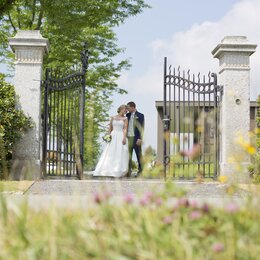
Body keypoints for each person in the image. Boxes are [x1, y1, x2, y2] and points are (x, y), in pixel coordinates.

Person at [93, 105, 129, 177]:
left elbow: (125, 129)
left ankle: (117, 169)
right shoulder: (113, 117)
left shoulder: (125, 118)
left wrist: (124, 138)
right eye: (125, 109)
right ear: (121, 109)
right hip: (113, 135)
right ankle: (106, 169)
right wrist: (108, 136)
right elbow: (110, 128)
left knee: (119, 152)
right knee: (110, 151)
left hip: (120, 135)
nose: (126, 111)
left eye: (126, 110)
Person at [126, 101, 144, 177]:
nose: (127, 109)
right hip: (128, 138)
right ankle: (128, 171)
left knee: (139, 155)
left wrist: (140, 138)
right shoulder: (127, 115)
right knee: (128, 156)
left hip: (136, 138)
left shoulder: (140, 115)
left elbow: (141, 128)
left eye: (128, 107)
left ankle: (141, 172)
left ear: (133, 107)